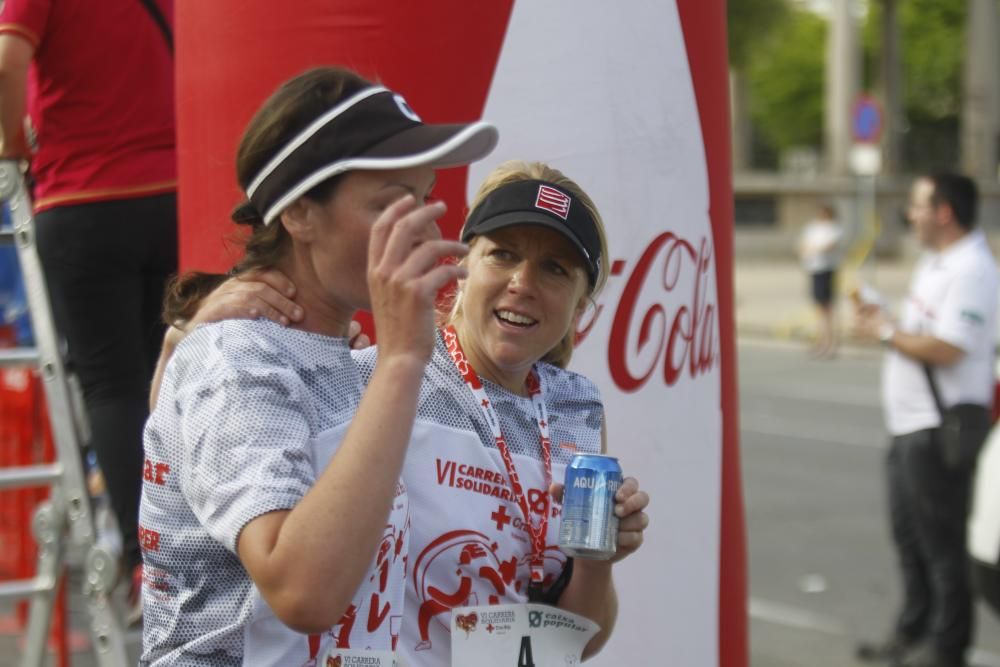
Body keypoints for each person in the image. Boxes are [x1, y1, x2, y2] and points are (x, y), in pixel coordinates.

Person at [139, 66, 497, 665]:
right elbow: (302, 591)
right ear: (301, 215)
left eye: (425, 197)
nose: (425, 226)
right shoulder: (234, 357)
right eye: (391, 204)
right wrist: (403, 360)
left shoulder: (349, 358)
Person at [353, 160, 650, 665]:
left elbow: (576, 641)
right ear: (463, 267)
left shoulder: (576, 408)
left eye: (554, 268)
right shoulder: (378, 376)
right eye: (503, 254)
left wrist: (596, 558)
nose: (522, 282)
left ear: (580, 309)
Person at [0, 0, 177, 620]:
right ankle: (191, 551)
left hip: (83, 194)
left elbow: (6, 61)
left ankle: (143, 563)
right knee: (172, 380)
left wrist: (15, 145)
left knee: (111, 387)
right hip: (171, 195)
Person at [854, 172, 999, 667]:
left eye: (917, 206)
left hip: (940, 432)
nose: (909, 215)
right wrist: (885, 316)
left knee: (944, 551)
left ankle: (946, 650)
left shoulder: (973, 269)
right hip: (909, 427)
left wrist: (885, 332)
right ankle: (912, 632)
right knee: (910, 541)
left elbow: (948, 347)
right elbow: (920, 329)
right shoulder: (938, 264)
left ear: (944, 212)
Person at [798, 203, 843, 358]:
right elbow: (803, 244)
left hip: (826, 269)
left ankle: (830, 343)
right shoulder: (813, 227)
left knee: (827, 308)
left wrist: (814, 249)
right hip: (814, 269)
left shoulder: (833, 228)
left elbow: (830, 246)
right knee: (819, 308)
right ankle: (820, 341)